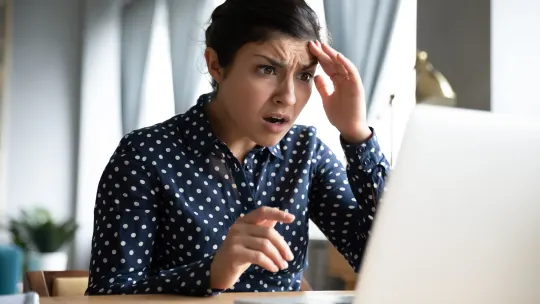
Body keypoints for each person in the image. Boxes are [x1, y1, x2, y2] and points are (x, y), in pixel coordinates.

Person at [85, 0, 390, 297]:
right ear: (216, 65)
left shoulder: (306, 152)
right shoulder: (144, 155)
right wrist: (211, 274)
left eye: (304, 76)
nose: (289, 97)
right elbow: (108, 292)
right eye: (267, 70)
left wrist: (356, 134)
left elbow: (385, 260)